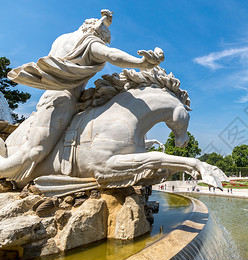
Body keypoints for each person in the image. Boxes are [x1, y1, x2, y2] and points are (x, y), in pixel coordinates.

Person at [0, 9, 163, 181]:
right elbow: (111, 55)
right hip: (63, 101)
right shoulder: (90, 43)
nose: (104, 43)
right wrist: (140, 63)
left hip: (59, 97)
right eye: (104, 39)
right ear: (98, 34)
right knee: (35, 151)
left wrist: (104, 22)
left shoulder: (61, 39)